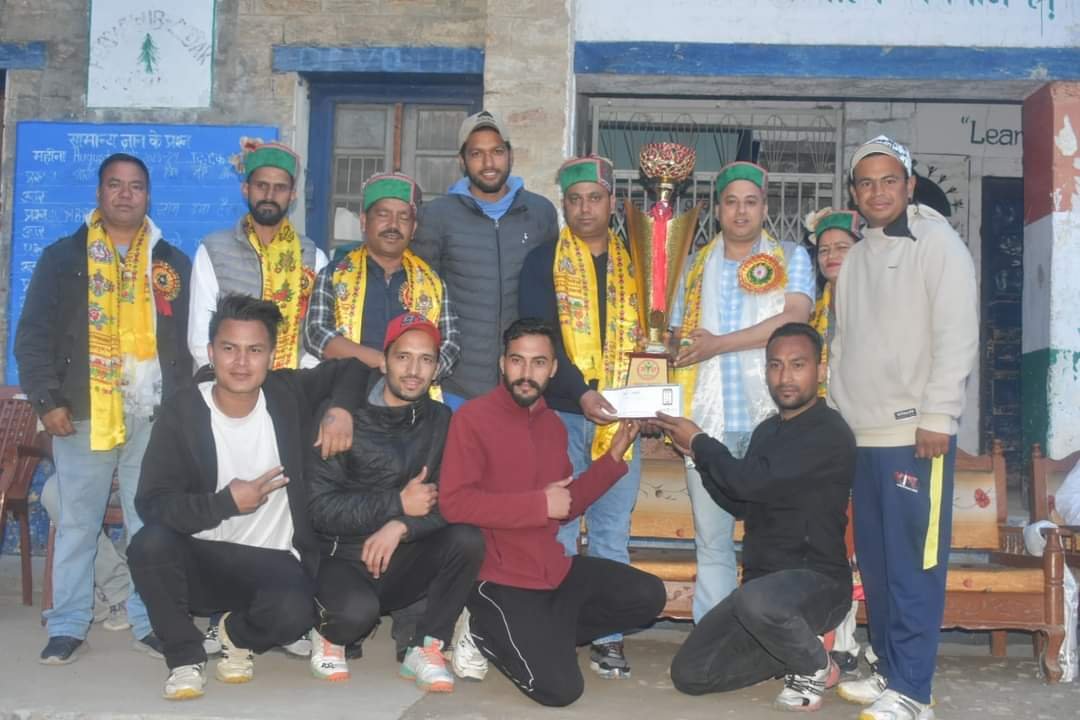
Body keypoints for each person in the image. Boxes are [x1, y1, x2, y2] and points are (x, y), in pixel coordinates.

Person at [128, 294, 365, 701]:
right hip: (203, 557)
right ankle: (184, 658)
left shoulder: (287, 393)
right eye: (229, 349)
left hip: (273, 561)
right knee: (148, 545)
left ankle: (234, 635)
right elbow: (152, 504)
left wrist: (340, 410)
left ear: (271, 356)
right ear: (210, 352)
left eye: (254, 350)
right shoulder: (183, 410)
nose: (241, 362)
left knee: (295, 616)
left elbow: (355, 368)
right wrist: (225, 503)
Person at [15, 152, 193, 665]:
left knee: (147, 524)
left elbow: (188, 343)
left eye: (135, 186)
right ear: (99, 193)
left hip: (153, 414)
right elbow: (33, 337)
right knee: (77, 523)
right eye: (115, 184)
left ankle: (149, 621)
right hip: (84, 412)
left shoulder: (171, 262)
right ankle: (68, 625)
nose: (125, 194)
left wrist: (182, 411)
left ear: (148, 196)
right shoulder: (62, 257)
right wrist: (47, 401)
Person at [438, 317, 666, 707]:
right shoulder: (472, 419)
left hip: (554, 572)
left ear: (554, 368)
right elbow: (454, 504)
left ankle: (542, 634)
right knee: (560, 691)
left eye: (539, 362)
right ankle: (481, 629)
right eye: (517, 360)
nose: (526, 373)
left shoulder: (553, 426)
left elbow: (564, 506)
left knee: (647, 595)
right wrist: (538, 504)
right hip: (501, 581)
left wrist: (613, 458)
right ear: (502, 363)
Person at [830, 136, 977, 720]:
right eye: (866, 182)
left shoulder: (937, 243)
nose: (878, 192)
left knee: (915, 566)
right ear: (854, 193)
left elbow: (956, 334)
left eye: (889, 180)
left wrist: (938, 415)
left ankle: (914, 690)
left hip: (917, 435)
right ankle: (891, 670)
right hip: (862, 436)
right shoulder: (858, 255)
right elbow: (844, 345)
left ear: (910, 185)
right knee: (879, 566)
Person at [656, 323, 854, 712]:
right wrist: (696, 457)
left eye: (798, 365)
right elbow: (743, 503)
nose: (785, 377)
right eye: (775, 365)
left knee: (758, 600)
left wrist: (700, 441)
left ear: (820, 370)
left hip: (818, 585)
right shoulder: (767, 431)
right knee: (691, 673)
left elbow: (749, 481)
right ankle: (798, 651)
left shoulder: (829, 431)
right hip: (762, 594)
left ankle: (811, 665)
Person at [669, 160, 815, 622]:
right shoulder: (693, 266)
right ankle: (712, 642)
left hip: (771, 424)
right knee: (712, 544)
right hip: (706, 423)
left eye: (750, 202)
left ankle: (771, 636)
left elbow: (793, 321)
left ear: (765, 208)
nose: (740, 211)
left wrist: (718, 344)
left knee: (774, 540)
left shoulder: (791, 257)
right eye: (731, 202)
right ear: (718, 210)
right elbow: (675, 335)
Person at [307, 312, 484, 691]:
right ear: (384, 361)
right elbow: (319, 510)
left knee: (468, 538)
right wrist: (396, 504)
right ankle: (326, 633)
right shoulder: (342, 418)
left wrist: (401, 525)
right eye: (403, 357)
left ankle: (426, 646)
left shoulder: (441, 419)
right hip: (341, 558)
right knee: (353, 616)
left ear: (436, 368)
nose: (414, 371)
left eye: (426, 360)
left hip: (401, 556)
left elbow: (450, 500)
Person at [517, 155, 643, 678]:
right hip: (563, 415)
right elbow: (538, 338)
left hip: (624, 420)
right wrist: (581, 393)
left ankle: (608, 638)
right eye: (574, 199)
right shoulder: (542, 261)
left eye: (595, 198)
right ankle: (560, 631)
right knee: (562, 526)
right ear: (563, 205)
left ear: (612, 202)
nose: (585, 208)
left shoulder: (638, 262)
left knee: (612, 531)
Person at [412, 111, 558, 410]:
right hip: (458, 384)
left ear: (510, 155)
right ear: (462, 160)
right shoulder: (437, 216)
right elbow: (422, 296)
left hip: (523, 385)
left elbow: (552, 293)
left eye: (497, 152)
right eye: (477, 154)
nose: (489, 163)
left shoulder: (539, 212)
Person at [304, 171, 459, 383]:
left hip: (412, 394)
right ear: (364, 221)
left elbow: (451, 345)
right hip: (345, 390)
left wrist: (412, 373)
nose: (393, 225)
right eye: (383, 215)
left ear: (413, 228)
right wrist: (383, 362)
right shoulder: (334, 274)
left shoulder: (432, 283)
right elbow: (316, 334)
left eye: (403, 217)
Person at [188, 140, 328, 372]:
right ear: (246, 189)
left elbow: (316, 334)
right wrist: (233, 382)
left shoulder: (313, 257)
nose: (269, 195)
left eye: (280, 188)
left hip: (294, 384)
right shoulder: (214, 250)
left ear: (293, 195)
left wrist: (298, 382)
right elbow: (200, 338)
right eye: (261, 185)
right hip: (225, 382)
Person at [805, 207, 863, 676]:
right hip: (824, 436)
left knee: (854, 541)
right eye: (824, 249)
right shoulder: (818, 308)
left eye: (841, 247)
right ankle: (824, 636)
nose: (831, 256)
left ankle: (845, 639)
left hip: (863, 433)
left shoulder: (872, 302)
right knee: (826, 537)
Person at [40, 473, 132, 631]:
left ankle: (113, 592)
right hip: (92, 472)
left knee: (160, 486)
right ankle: (118, 588)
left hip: (138, 473)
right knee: (53, 492)